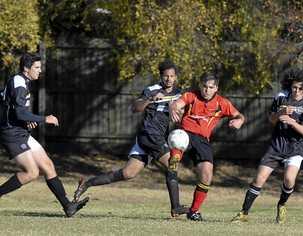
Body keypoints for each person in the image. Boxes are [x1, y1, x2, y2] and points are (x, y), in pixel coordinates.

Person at [74, 59, 188, 217]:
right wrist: (151, 100)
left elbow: (182, 114)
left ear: (176, 77)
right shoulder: (152, 89)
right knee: (172, 164)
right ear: (161, 76)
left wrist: (178, 111)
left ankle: (87, 183)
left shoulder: (179, 94)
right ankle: (175, 207)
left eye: (172, 76)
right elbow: (135, 107)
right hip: (149, 135)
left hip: (157, 138)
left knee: (128, 173)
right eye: (166, 76)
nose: (169, 79)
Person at [0, 53, 89, 217]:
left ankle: (68, 206)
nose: (40, 71)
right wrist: (43, 119)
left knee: (48, 165)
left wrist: (27, 119)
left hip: (20, 130)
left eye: (40, 67)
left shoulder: (20, 80)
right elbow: (19, 112)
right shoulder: (19, 83)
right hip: (11, 133)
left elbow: (9, 104)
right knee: (32, 173)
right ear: (26, 69)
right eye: (37, 68)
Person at [231, 71, 303, 224]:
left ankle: (281, 204)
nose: (296, 91)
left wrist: (292, 122)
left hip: (294, 149)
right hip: (276, 147)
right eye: (294, 87)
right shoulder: (281, 99)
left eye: (300, 88)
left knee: (289, 180)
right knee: (259, 179)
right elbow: (271, 120)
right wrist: (280, 113)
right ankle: (243, 213)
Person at [169, 72, 245, 221]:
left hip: (202, 141)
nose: (207, 90)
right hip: (186, 134)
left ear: (216, 88)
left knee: (207, 174)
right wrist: (173, 108)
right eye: (204, 86)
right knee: (178, 137)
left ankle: (194, 211)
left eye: (211, 87)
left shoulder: (222, 103)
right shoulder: (191, 95)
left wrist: (239, 121)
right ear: (200, 85)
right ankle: (175, 157)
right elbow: (177, 104)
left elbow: (240, 115)